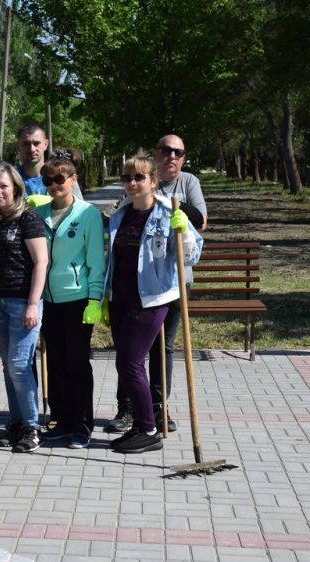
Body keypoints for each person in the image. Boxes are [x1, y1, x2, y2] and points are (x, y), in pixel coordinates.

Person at [108, 134, 209, 434]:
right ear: (157, 154)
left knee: (157, 349)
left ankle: (155, 410)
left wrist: (184, 226)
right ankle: (129, 409)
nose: (172, 156)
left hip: (167, 286)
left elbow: (198, 229)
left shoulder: (186, 186)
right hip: (126, 293)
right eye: (166, 151)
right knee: (129, 354)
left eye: (178, 152)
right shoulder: (122, 211)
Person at [33, 156, 105, 449]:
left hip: (77, 299)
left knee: (77, 364)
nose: (54, 185)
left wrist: (95, 299)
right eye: (48, 180)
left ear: (73, 179)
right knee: (56, 363)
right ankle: (62, 421)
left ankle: (83, 424)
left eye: (60, 179)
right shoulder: (39, 213)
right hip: (48, 300)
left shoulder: (88, 213)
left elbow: (96, 260)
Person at [0, 163, 48, 454]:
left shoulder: (28, 219)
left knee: (20, 366)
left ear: (16, 188)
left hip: (23, 303)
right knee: (9, 366)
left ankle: (32, 426)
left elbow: (41, 262)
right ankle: (17, 422)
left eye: (3, 186)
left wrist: (33, 303)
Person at [16, 123, 83, 201]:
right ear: (18, 146)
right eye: (26, 144)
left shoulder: (63, 175)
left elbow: (80, 209)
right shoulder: (10, 178)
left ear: (46, 144)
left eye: (36, 143)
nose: (32, 149)